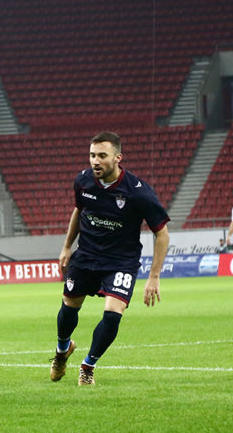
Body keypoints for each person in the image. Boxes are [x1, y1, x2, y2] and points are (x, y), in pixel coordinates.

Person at [50, 131, 169, 386]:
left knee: (113, 314)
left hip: (121, 261)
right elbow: (78, 211)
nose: (96, 161)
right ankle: (62, 350)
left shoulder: (138, 192)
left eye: (102, 156)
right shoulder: (83, 181)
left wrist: (154, 277)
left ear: (117, 158)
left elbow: (162, 233)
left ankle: (88, 365)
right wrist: (67, 246)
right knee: (69, 306)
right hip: (86, 256)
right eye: (92, 155)